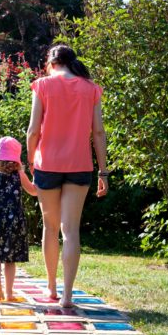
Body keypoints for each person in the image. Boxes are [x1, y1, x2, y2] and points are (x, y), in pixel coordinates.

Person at [27, 44, 109, 308]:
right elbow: (98, 133)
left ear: (50, 63)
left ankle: (51, 287)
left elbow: (33, 130)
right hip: (79, 165)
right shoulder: (91, 89)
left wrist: (30, 160)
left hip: (47, 164)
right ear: (71, 61)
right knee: (70, 231)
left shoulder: (42, 85)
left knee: (50, 228)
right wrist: (103, 170)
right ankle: (68, 295)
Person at [0, 136, 37, 302]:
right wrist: (37, 177)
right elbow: (33, 191)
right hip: (15, 221)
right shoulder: (19, 175)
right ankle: (9, 294)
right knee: (10, 260)